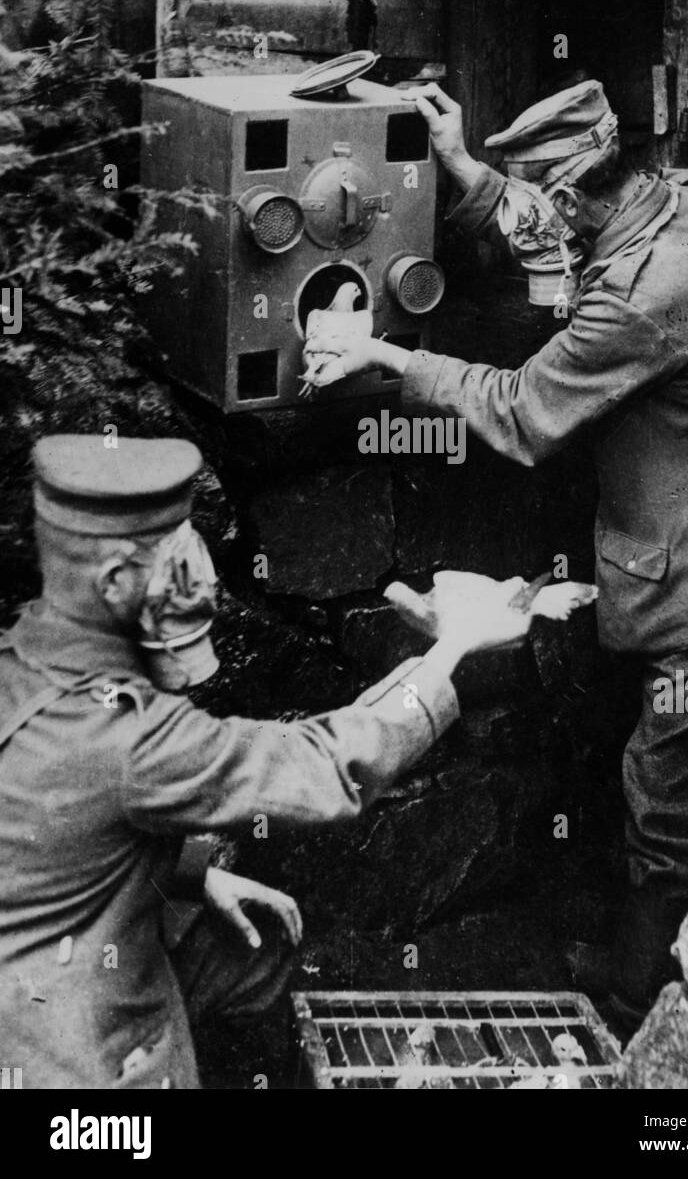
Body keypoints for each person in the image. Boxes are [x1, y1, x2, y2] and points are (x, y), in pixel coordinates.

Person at [305, 78, 688, 1040]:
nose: (540, 229)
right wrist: (471, 177)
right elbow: (566, 245)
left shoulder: (650, 292)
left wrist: (386, 355)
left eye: (544, 208)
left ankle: (645, 1019)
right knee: (646, 775)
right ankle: (635, 962)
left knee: (669, 805)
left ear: (574, 199)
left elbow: (527, 412)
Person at [0, 433, 551, 1089]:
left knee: (250, 949)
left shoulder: (26, 657)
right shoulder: (126, 734)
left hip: (34, 970)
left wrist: (193, 874)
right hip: (69, 1067)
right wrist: (453, 645)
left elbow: (53, 831)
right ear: (115, 581)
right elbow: (324, 764)